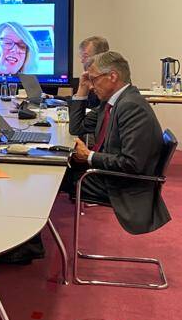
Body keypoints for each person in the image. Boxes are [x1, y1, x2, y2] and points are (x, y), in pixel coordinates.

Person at [65, 50, 170, 234]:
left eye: (93, 79)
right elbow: (77, 128)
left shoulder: (131, 106)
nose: (91, 86)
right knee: (52, 168)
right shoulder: (112, 102)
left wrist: (89, 156)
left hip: (122, 184)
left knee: (49, 179)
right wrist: (81, 88)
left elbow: (132, 164)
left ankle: (29, 245)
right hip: (108, 173)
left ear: (112, 76)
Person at [78, 35, 109, 108]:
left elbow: (93, 107)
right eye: (81, 56)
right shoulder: (89, 76)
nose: (82, 61)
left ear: (100, 56)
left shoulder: (107, 79)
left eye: (85, 56)